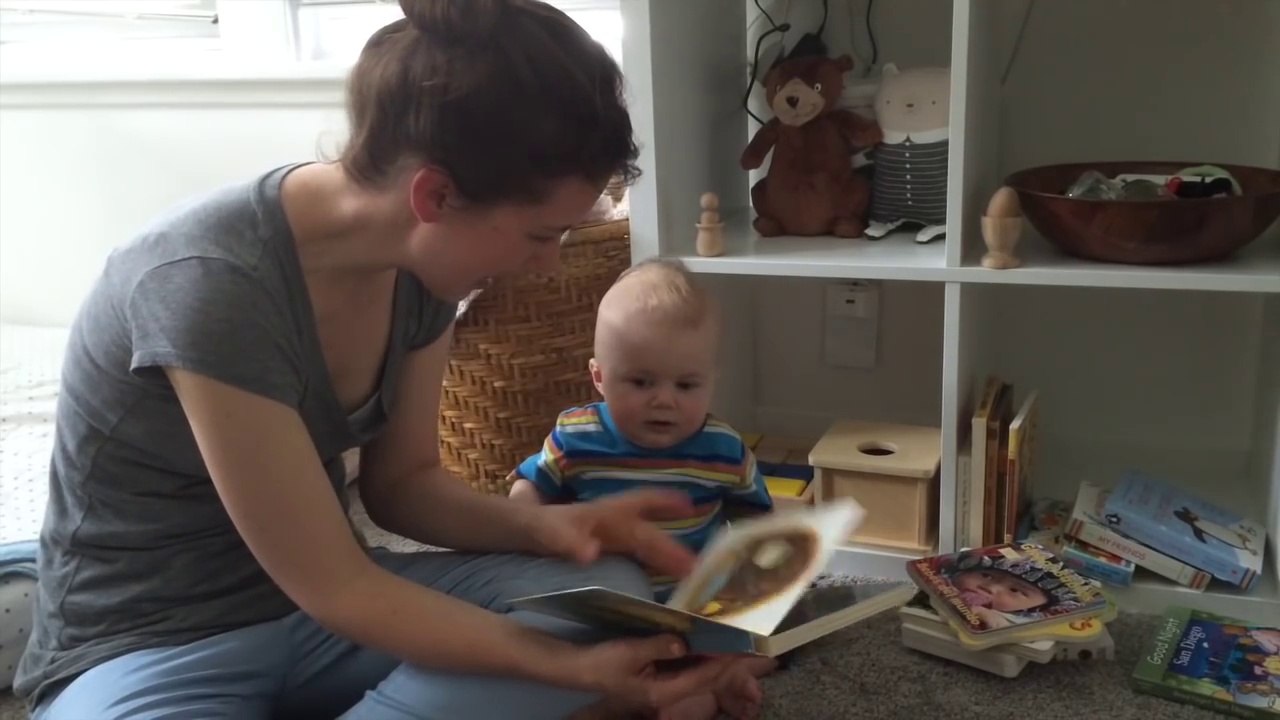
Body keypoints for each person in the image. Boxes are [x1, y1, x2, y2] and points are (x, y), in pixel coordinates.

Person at [13, 1, 757, 718]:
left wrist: (554, 531)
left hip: (324, 619)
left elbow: (403, 489)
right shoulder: (212, 285)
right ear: (434, 195)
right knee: (570, 653)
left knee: (609, 596)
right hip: (149, 641)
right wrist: (569, 674)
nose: (548, 267)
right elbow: (336, 585)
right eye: (539, 235)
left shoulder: (420, 273)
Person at [508, 259, 779, 719]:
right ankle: (708, 683)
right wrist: (531, 525)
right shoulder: (577, 436)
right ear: (599, 376)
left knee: (768, 637)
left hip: (695, 609)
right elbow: (526, 490)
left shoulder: (723, 450)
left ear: (711, 380)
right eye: (641, 381)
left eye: (686, 384)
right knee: (542, 658)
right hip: (605, 613)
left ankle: (721, 677)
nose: (664, 399)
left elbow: (758, 523)